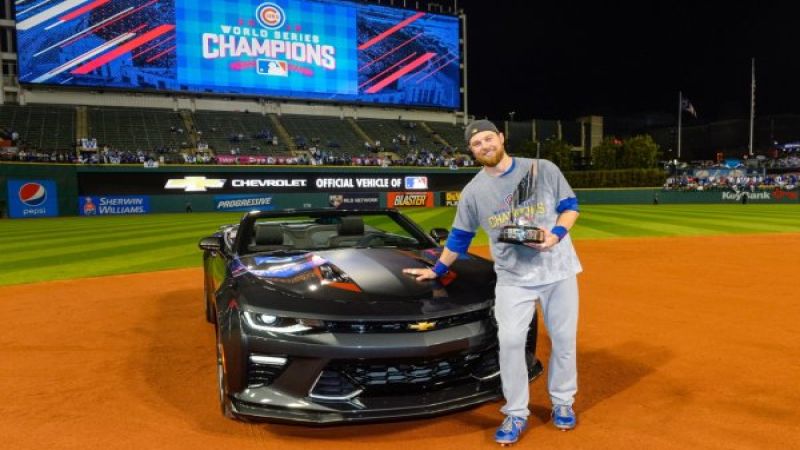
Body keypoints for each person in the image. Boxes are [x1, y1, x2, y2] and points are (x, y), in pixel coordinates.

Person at [403, 119, 582, 445]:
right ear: (471, 151)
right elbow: (459, 238)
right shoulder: (473, 192)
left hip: (558, 270)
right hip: (513, 278)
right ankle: (516, 412)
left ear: (500, 138)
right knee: (512, 342)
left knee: (564, 340)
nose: (484, 146)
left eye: (488, 138)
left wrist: (554, 236)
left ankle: (563, 402)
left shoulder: (541, 168)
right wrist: (437, 270)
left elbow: (570, 208)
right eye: (476, 144)